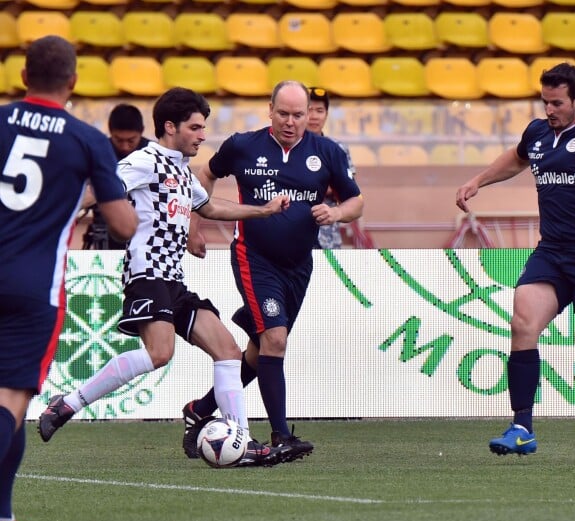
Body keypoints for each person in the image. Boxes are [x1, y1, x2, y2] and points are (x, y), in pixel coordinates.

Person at [38, 87, 291, 468]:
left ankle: (240, 442)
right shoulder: (145, 161)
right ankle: (67, 404)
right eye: (195, 127)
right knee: (160, 353)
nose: (202, 135)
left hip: (172, 279)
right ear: (170, 126)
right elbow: (101, 189)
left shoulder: (179, 169)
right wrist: (60, 215)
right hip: (147, 272)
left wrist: (263, 211)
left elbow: (209, 206)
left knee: (226, 349)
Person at [0, 36, 138, 521]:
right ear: (74, 82)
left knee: (7, 405)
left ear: (22, 76)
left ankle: (3, 518)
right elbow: (123, 223)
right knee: (11, 399)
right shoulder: (85, 140)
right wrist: (81, 198)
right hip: (33, 287)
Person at [182, 80, 364, 462]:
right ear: (270, 109)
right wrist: (194, 227)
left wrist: (335, 213)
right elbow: (204, 177)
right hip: (254, 257)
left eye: (299, 115)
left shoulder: (326, 152)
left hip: (299, 265)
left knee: (262, 348)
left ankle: (200, 410)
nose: (291, 122)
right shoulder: (243, 146)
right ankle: (280, 435)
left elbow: (356, 201)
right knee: (276, 340)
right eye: (283, 113)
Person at [455, 62, 575, 456]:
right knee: (523, 320)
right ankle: (521, 427)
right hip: (554, 251)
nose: (549, 110)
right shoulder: (539, 133)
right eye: (545, 102)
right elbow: (516, 157)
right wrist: (478, 181)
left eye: (557, 103)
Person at [83, 104, 150, 250]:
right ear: (110, 132)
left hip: (146, 231)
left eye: (131, 140)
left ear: (142, 132)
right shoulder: (99, 151)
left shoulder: (152, 154)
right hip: (105, 228)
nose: (125, 146)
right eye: (119, 140)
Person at [306, 87, 356, 250]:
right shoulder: (287, 147)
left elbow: (350, 193)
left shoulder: (337, 148)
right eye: (309, 110)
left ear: (326, 114)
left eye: (319, 110)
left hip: (328, 237)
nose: (313, 116)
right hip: (291, 237)